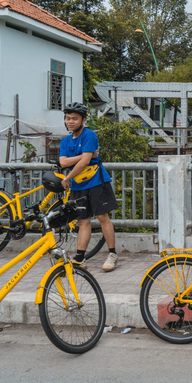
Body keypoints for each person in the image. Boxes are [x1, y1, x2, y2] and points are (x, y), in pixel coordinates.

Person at [59, 102, 119, 272]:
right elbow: (63, 162)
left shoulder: (89, 135)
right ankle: (79, 257)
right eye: (68, 118)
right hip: (79, 184)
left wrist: (68, 177)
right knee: (83, 220)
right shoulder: (65, 141)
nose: (70, 121)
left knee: (102, 217)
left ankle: (112, 254)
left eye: (74, 118)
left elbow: (85, 162)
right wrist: (86, 155)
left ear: (83, 119)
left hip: (96, 181)